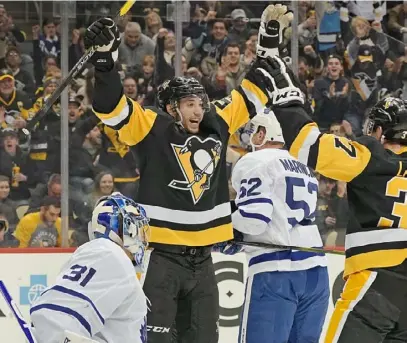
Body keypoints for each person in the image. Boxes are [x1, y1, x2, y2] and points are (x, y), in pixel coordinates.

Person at [83, 12, 290, 343]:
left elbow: (253, 92)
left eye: (200, 103)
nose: (198, 110)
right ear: (171, 107)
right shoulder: (151, 128)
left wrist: (267, 43)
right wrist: (105, 61)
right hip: (162, 259)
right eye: (189, 104)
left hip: (205, 262)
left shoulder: (216, 124)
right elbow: (111, 107)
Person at [254, 38, 407, 342]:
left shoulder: (373, 155)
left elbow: (310, 146)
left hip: (377, 279)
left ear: (379, 131)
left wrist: (287, 98)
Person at [226, 111, 328, 343]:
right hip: (317, 271)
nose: (248, 139)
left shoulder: (254, 161)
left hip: (276, 270)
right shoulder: (302, 165)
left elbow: (254, 218)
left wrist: (223, 223)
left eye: (252, 133)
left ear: (263, 133)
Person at [30, 193, 149, 343]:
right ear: (122, 228)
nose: (143, 237)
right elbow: (56, 314)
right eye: (137, 226)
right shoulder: (108, 253)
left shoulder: (108, 256)